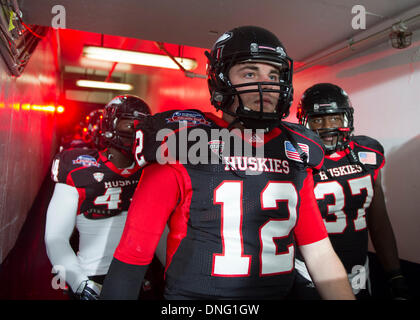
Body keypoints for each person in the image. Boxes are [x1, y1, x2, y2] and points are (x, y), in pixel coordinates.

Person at [100, 26, 355, 300]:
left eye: (274, 74)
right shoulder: (179, 142)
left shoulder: (295, 149)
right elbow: (132, 258)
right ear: (220, 80)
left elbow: (318, 252)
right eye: (249, 72)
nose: (266, 84)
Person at [293, 83, 409, 299]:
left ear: (348, 119)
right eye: (317, 119)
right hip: (307, 272)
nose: (328, 126)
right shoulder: (296, 159)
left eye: (335, 117)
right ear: (305, 122)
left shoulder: (368, 153)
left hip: (358, 269)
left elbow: (379, 220)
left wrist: (394, 273)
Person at [45, 95, 153, 299]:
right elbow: (55, 237)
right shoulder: (78, 166)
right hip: (92, 275)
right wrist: (79, 282)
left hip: (135, 275)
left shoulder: (151, 171)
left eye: (142, 127)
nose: (135, 132)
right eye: (129, 125)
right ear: (109, 124)